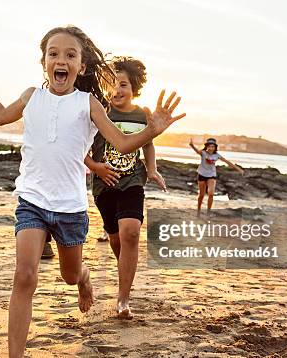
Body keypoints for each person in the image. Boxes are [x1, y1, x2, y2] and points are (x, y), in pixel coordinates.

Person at [0, 25, 185, 357]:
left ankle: (84, 277)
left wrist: (151, 130)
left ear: (81, 66)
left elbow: (121, 142)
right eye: (53, 54)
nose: (60, 60)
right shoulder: (31, 97)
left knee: (69, 274)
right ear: (44, 62)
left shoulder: (88, 104)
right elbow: (1, 116)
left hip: (69, 208)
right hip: (31, 201)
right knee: (24, 276)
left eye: (70, 55)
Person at [85, 56, 165, 319]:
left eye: (123, 85)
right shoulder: (99, 111)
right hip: (104, 185)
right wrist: (96, 168)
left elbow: (148, 143)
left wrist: (151, 170)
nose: (117, 90)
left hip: (132, 181)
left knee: (130, 233)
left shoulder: (142, 114)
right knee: (117, 239)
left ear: (134, 89)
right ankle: (124, 271)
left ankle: (123, 299)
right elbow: (79, 148)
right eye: (113, 84)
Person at [189, 137, 244, 216]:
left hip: (212, 175)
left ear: (215, 147)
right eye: (209, 146)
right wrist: (192, 145)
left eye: (213, 146)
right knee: (201, 195)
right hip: (201, 174)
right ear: (207, 146)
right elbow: (197, 151)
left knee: (211, 194)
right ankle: (198, 211)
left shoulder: (217, 155)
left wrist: (239, 169)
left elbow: (228, 162)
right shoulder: (203, 153)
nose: (211, 148)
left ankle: (208, 212)